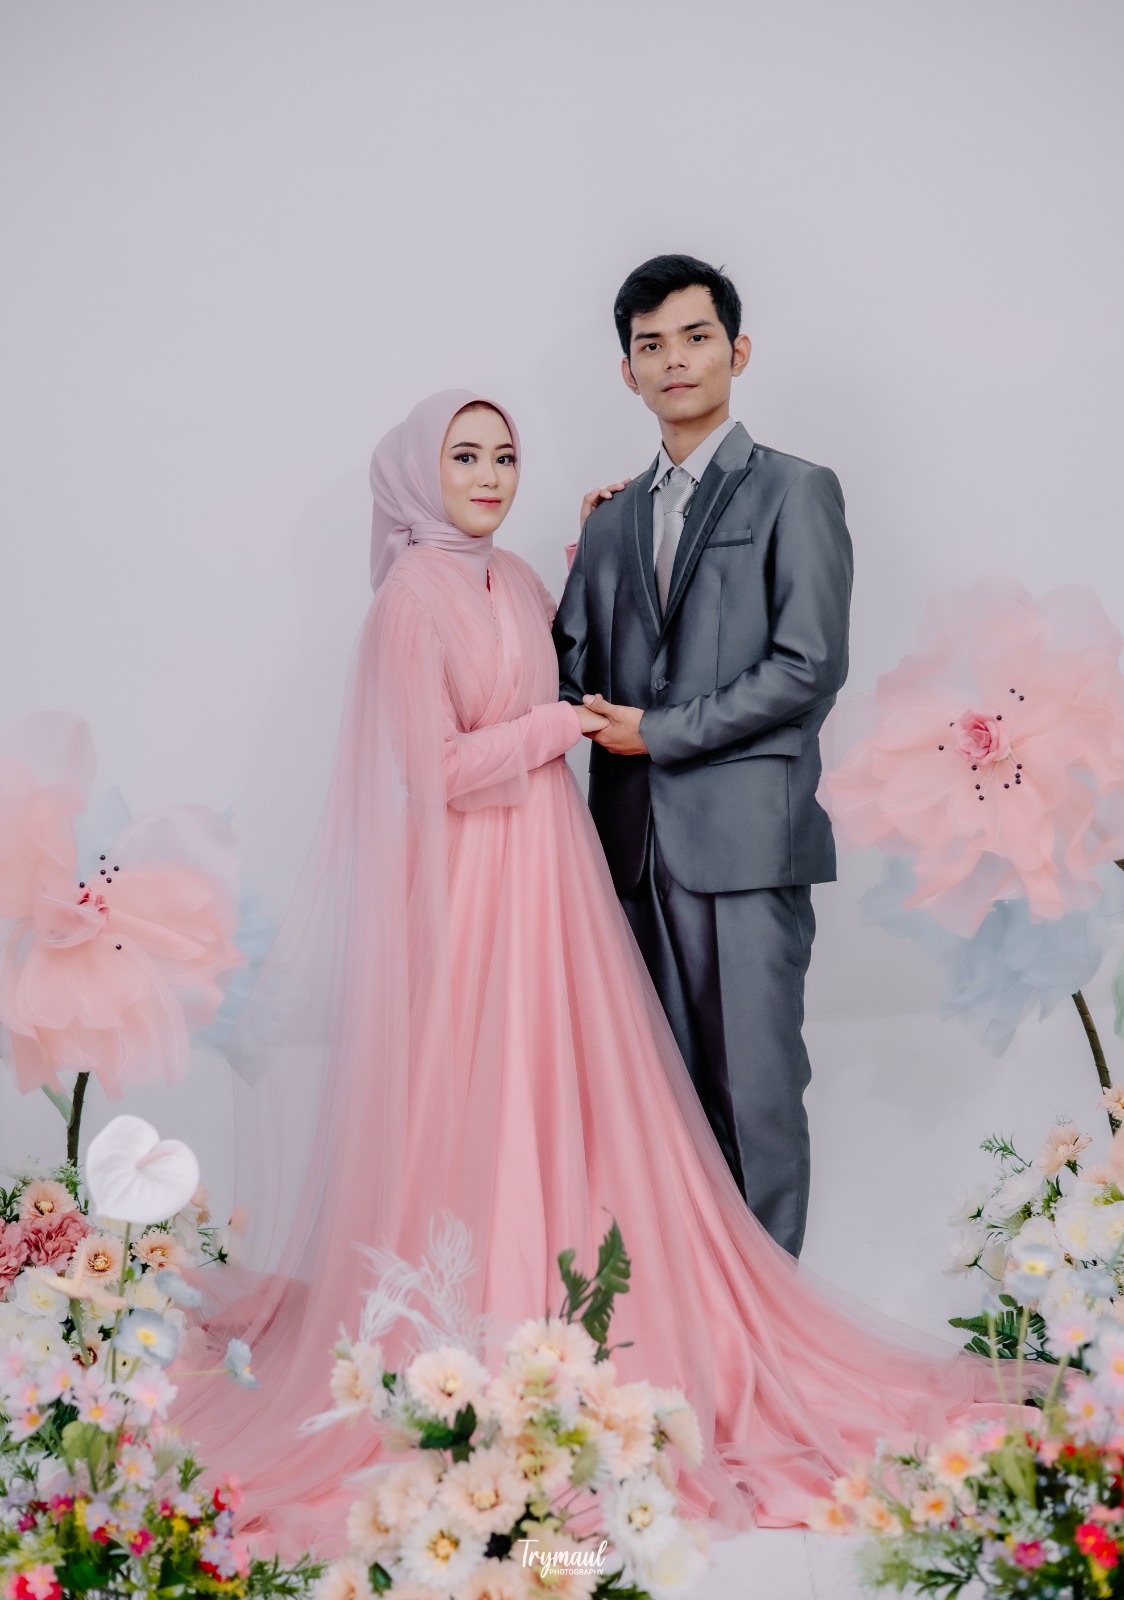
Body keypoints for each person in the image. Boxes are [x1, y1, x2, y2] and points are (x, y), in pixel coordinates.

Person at [180, 388, 1003, 1556]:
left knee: (572, 1086)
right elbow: (435, 766)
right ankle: (491, 1317)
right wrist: (554, 733)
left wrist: (581, 559)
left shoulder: (510, 576)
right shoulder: (409, 600)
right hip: (477, 883)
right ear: (419, 475)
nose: (487, 475)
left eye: (502, 455)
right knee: (490, 1090)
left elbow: (564, 666)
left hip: (549, 871)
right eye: (464, 456)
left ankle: (611, 1307)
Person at [554, 254, 852, 1258]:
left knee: (752, 1094)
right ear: (627, 371)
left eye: (694, 337)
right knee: (655, 1099)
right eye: (651, 345)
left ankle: (771, 1321)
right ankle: (691, 1311)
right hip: (629, 852)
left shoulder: (797, 492)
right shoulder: (609, 522)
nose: (673, 359)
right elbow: (570, 673)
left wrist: (660, 732)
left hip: (744, 849)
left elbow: (808, 666)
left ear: (737, 350)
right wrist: (572, 561)